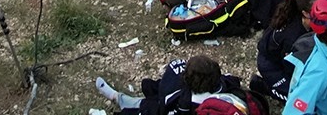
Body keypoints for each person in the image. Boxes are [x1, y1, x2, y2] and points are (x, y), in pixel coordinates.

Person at [94, 54, 254, 114]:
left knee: (147, 105)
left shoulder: (184, 100)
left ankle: (118, 98)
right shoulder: (224, 85)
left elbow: (164, 105)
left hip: (173, 108)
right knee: (153, 90)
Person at [254, 0, 322, 103]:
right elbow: (292, 68)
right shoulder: (292, 38)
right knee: (302, 100)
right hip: (273, 66)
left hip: (283, 56)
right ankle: (263, 86)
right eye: (319, 11)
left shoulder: (298, 16)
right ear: (305, 14)